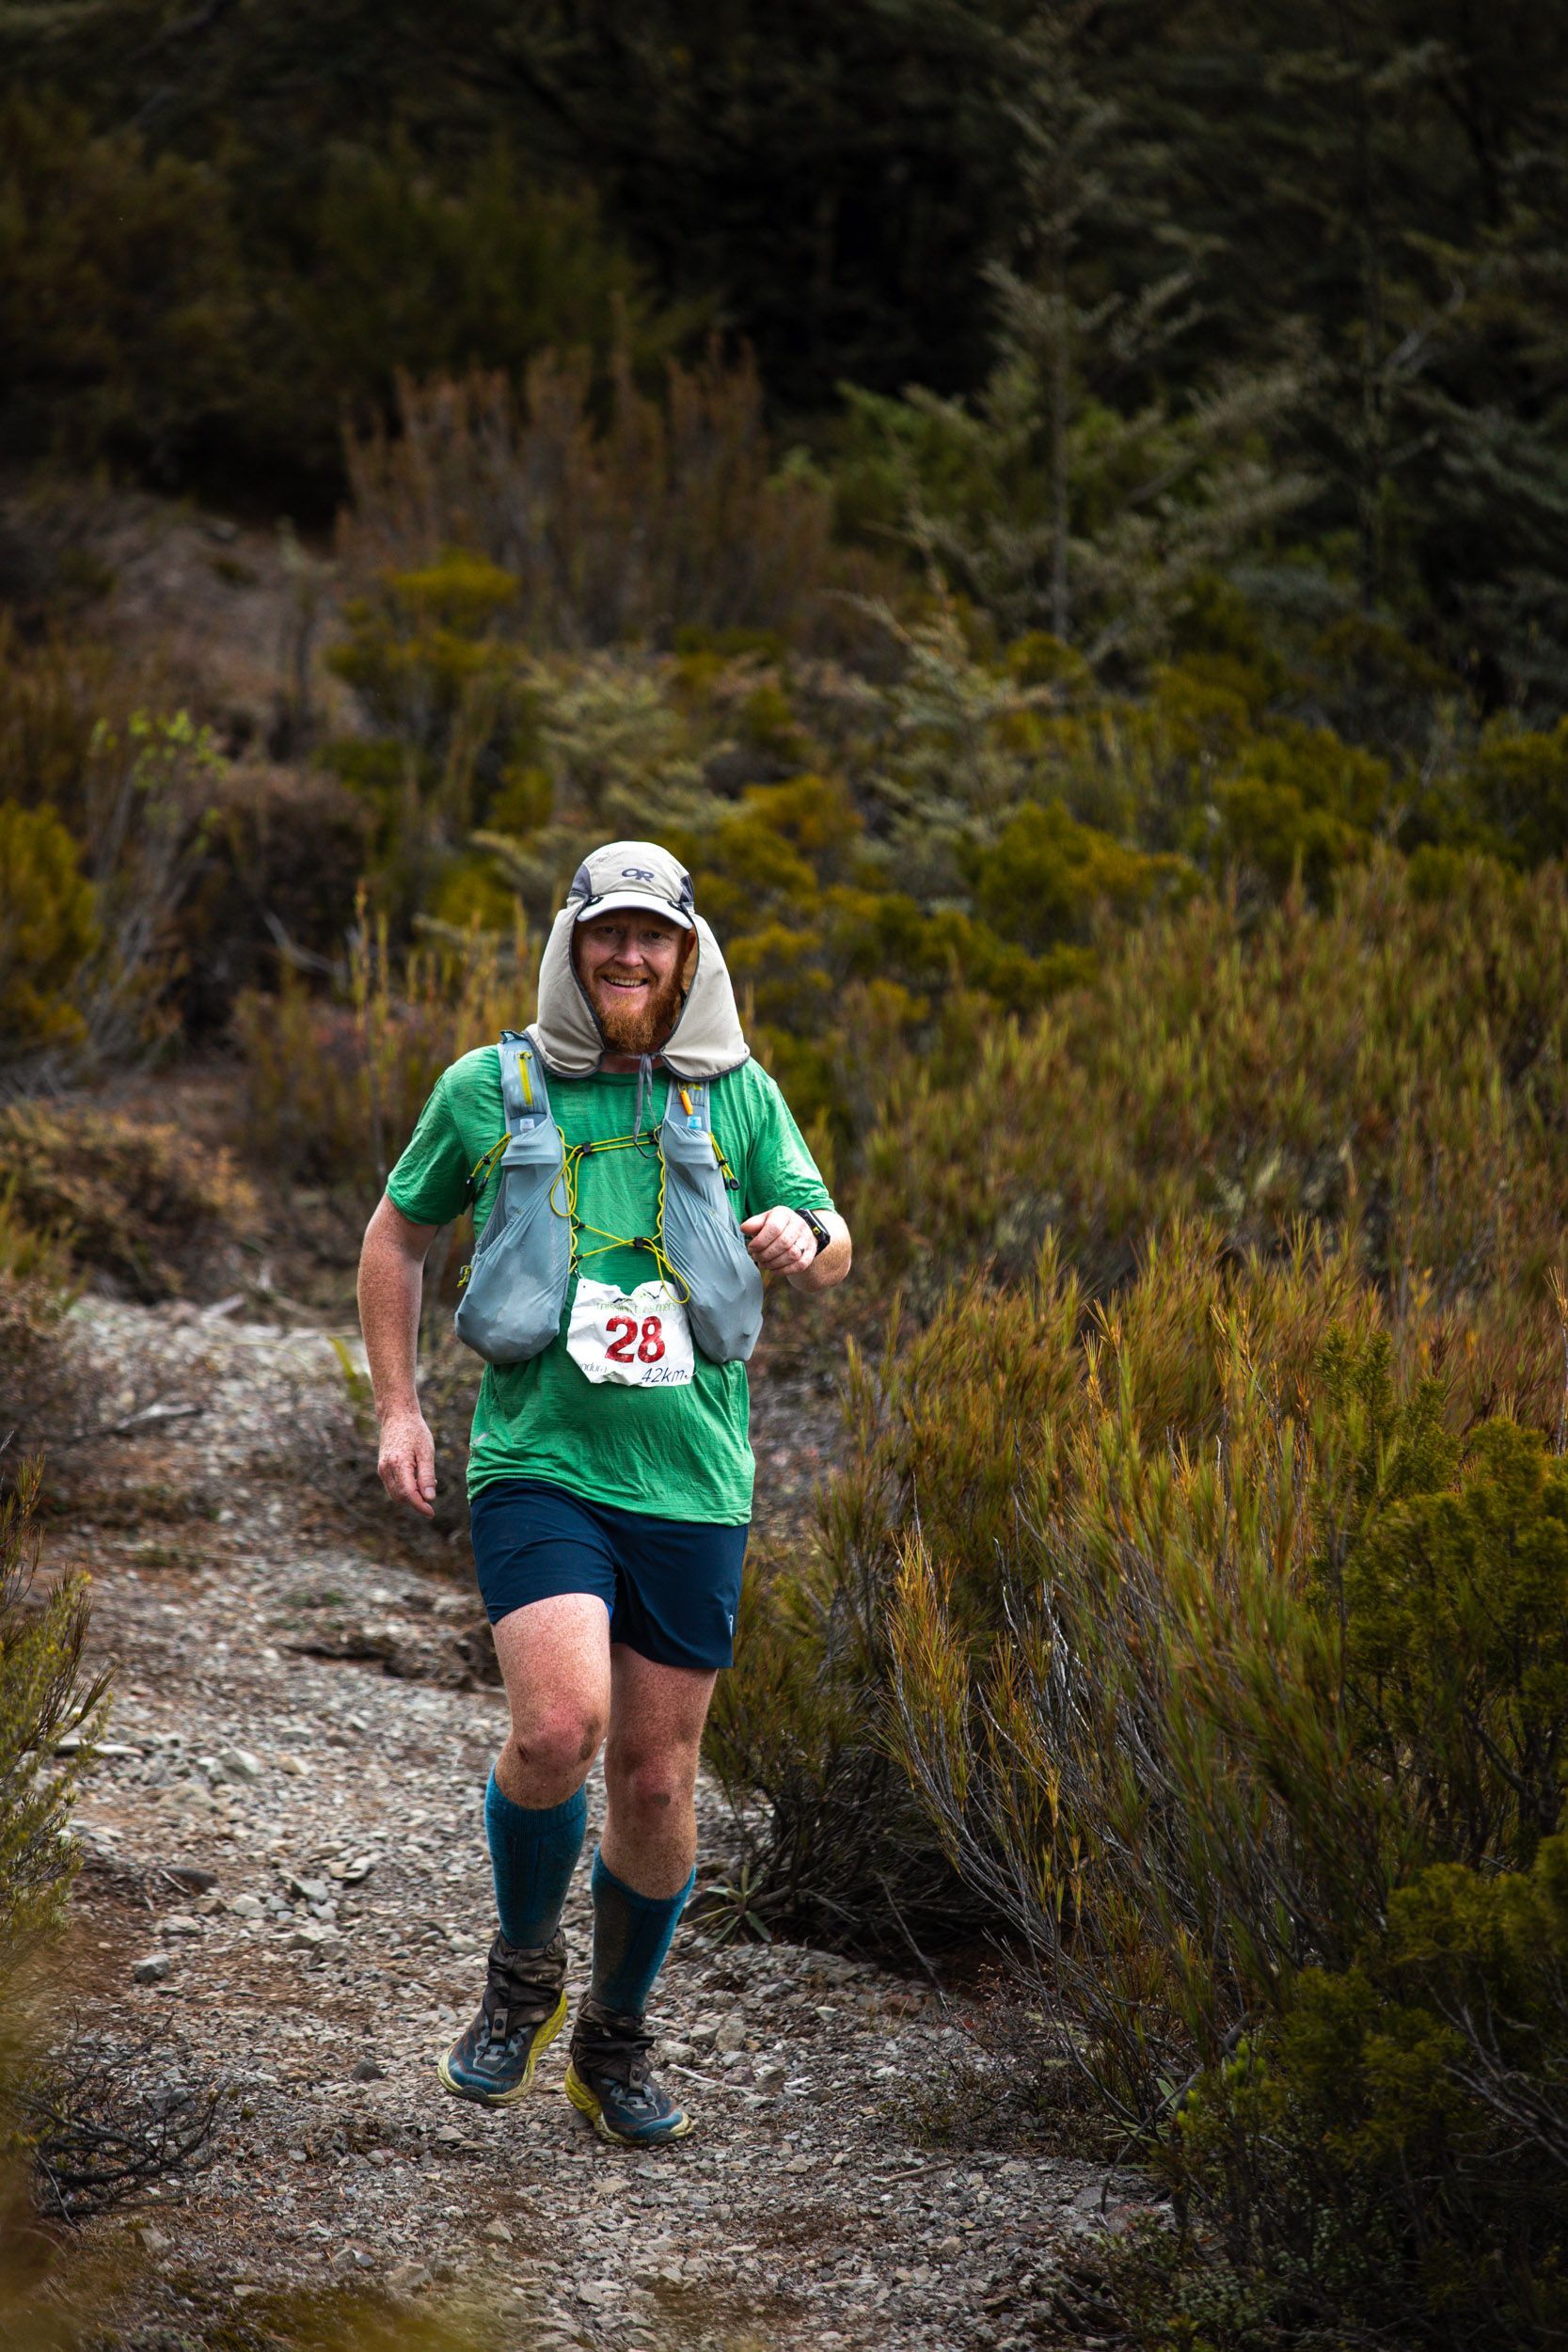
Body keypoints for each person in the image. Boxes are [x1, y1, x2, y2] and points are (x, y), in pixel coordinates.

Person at [356, 840, 850, 2146]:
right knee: (558, 1730)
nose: (629, 957)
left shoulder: (736, 1096)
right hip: (539, 1466)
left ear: (689, 955)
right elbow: (399, 1235)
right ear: (572, 944)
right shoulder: (492, 1085)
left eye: (654, 938)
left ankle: (615, 2036)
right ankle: (522, 1971)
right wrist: (400, 1407)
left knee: (653, 1780)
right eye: (607, 935)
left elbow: (831, 1233)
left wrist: (805, 1239)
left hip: (693, 1480)